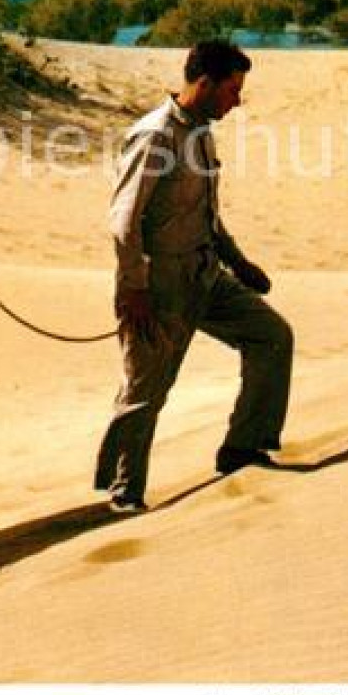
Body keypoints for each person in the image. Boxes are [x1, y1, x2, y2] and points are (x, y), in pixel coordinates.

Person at [95, 40, 294, 513]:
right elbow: (124, 222)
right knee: (147, 389)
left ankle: (243, 447)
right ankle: (124, 493)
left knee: (271, 337)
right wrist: (134, 288)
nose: (237, 100)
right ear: (204, 83)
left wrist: (238, 263)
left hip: (206, 274)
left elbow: (205, 213)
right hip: (159, 285)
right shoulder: (155, 136)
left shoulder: (201, 131)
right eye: (232, 89)